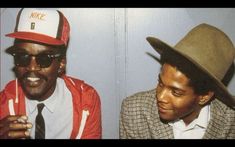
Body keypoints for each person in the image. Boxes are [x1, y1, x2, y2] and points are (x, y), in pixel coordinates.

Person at [120, 23, 235, 139]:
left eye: (176, 92)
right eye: (160, 83)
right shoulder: (135, 111)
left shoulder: (230, 120)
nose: (160, 97)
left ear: (204, 96)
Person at [0, 8, 102, 139]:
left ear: (61, 63)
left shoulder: (86, 101)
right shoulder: (3, 104)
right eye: (22, 56)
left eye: (44, 58)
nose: (32, 68)